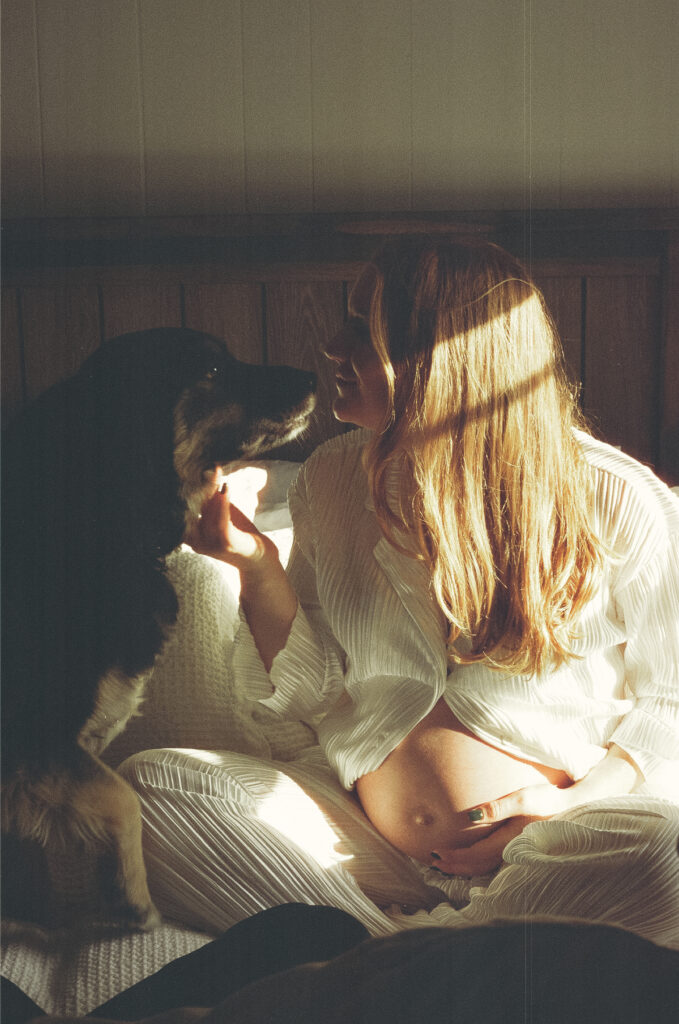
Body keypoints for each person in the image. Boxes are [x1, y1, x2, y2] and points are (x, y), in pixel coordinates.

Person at [121, 236, 679, 947]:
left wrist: (569, 803)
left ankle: (368, 960)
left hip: (552, 845)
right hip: (365, 849)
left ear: (442, 356)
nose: (331, 346)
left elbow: (670, 699)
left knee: (654, 849)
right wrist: (253, 564)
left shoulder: (614, 496)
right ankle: (417, 958)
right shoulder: (330, 479)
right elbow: (318, 692)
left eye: (363, 327)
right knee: (155, 788)